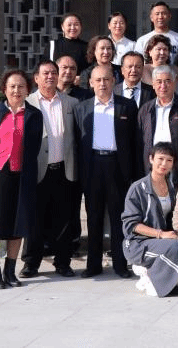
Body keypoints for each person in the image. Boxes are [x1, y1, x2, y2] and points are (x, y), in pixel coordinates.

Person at [0, 69, 43, 289]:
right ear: (4, 89)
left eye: (21, 86)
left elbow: (34, 147)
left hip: (21, 175)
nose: (16, 90)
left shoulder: (34, 115)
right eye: (12, 86)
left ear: (28, 90)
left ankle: (10, 271)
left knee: (18, 223)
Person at [74, 64, 138, 279]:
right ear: (91, 83)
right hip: (92, 166)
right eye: (98, 80)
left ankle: (120, 264)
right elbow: (77, 142)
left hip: (116, 166)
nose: (102, 84)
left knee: (119, 218)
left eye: (106, 79)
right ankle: (93, 265)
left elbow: (134, 140)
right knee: (94, 217)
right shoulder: (82, 108)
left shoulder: (126, 106)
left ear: (113, 82)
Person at [22, 60, 78, 279]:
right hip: (37, 171)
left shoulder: (71, 103)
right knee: (34, 219)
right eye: (45, 73)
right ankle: (31, 263)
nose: (50, 76)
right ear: (36, 78)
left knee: (64, 219)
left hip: (63, 170)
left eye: (54, 72)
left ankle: (63, 262)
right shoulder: (27, 103)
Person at [121, 142, 178, 297]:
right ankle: (152, 276)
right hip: (137, 243)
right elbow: (132, 225)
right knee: (175, 246)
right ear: (151, 159)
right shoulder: (138, 188)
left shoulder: (172, 188)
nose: (164, 164)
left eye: (169, 160)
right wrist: (161, 234)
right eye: (160, 158)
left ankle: (163, 277)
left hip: (162, 242)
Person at [137, 65, 178, 186]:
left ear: (175, 82)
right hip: (152, 167)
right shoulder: (145, 109)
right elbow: (140, 143)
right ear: (153, 84)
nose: (163, 86)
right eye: (159, 82)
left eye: (167, 81)